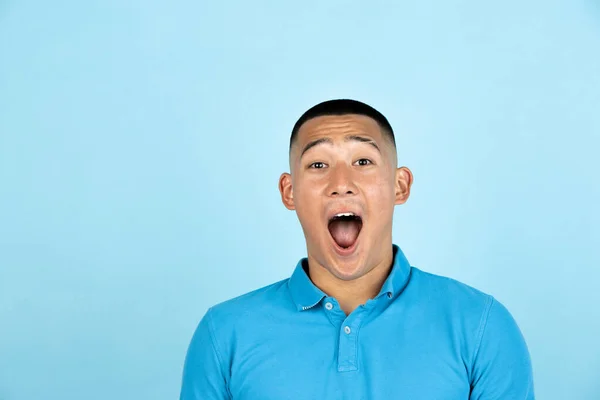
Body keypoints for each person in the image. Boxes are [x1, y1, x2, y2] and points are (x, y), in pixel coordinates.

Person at [179, 99, 535, 399]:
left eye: (363, 162)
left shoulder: (481, 326)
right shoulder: (223, 335)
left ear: (400, 185)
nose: (341, 184)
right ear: (290, 191)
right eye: (318, 165)